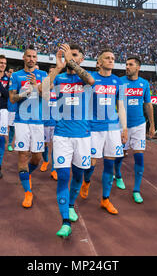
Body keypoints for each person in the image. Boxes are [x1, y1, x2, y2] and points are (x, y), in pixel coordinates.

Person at [39, 43, 95, 238]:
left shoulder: (85, 79)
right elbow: (41, 91)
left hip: (83, 136)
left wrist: (70, 61)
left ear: (81, 59)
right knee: (63, 177)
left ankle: (71, 204)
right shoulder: (60, 77)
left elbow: (91, 79)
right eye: (67, 55)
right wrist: (58, 68)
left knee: (78, 175)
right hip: (62, 135)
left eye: (74, 55)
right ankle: (65, 221)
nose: (70, 58)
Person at [79, 49, 127, 215]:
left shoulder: (118, 82)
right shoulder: (91, 79)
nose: (111, 60)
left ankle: (105, 199)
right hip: (93, 127)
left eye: (113, 58)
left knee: (110, 164)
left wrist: (124, 127)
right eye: (107, 58)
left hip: (113, 128)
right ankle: (86, 181)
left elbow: (120, 106)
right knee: (91, 162)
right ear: (99, 62)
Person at [9, 46, 47, 209]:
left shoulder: (43, 75)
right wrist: (24, 93)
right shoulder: (16, 76)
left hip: (38, 122)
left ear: (36, 59)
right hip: (22, 121)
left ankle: (26, 175)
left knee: (37, 158)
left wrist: (37, 86)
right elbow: (12, 99)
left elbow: (46, 97)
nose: (31, 59)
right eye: (29, 56)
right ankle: (28, 192)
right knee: (23, 156)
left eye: (34, 56)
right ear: (23, 58)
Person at [118, 56, 155, 203]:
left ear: (138, 67)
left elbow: (148, 104)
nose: (127, 67)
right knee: (119, 154)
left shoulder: (144, 84)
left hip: (139, 124)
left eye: (130, 64)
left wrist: (152, 124)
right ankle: (118, 175)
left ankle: (136, 189)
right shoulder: (119, 82)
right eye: (126, 64)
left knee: (139, 156)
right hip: (122, 125)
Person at [40, 65, 58, 181]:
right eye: (50, 73)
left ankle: (54, 169)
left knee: (57, 146)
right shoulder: (42, 88)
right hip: (45, 122)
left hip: (56, 122)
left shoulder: (60, 87)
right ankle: (46, 161)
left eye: (54, 73)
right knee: (45, 144)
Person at [6, 68, 17, 152]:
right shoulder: (4, 82)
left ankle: (10, 143)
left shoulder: (17, 82)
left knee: (12, 128)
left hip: (13, 109)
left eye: (12, 73)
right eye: (10, 72)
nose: (11, 74)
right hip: (4, 108)